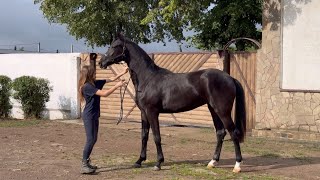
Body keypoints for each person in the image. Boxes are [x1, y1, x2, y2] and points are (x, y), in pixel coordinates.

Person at [78, 64, 128, 174]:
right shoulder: (87, 86)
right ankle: (84, 164)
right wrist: (117, 86)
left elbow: (110, 79)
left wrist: (123, 72)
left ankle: (87, 161)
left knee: (94, 139)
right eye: (94, 72)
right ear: (89, 74)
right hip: (89, 116)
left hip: (94, 115)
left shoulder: (94, 83)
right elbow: (104, 94)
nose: (96, 74)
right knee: (90, 139)